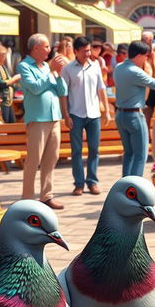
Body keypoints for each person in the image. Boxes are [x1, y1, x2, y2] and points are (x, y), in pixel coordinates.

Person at [17, 33, 68, 209]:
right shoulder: (24, 66)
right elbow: (36, 88)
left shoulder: (46, 66)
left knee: (51, 159)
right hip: (38, 120)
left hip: (54, 118)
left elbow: (61, 91)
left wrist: (59, 74)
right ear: (36, 48)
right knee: (34, 159)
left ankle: (46, 196)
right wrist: (51, 71)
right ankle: (28, 199)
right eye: (46, 46)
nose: (49, 50)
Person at [59, 36, 111, 196]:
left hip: (94, 114)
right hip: (76, 114)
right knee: (76, 151)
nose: (88, 53)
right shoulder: (67, 69)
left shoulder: (95, 66)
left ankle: (92, 182)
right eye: (84, 51)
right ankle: (79, 184)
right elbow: (63, 94)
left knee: (94, 150)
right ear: (75, 51)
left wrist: (107, 111)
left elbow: (101, 89)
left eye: (89, 50)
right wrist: (66, 115)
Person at [113, 40, 155, 177]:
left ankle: (125, 185)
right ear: (139, 55)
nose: (147, 58)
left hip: (121, 115)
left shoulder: (119, 67)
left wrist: (149, 60)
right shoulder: (135, 72)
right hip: (134, 115)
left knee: (128, 153)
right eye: (146, 56)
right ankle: (135, 187)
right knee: (141, 155)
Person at [0, 41, 21, 124]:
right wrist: (14, 79)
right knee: (4, 124)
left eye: (5, 54)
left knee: (12, 125)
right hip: (1, 101)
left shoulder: (2, 66)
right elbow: (1, 83)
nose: (4, 56)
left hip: (8, 101)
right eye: (2, 54)